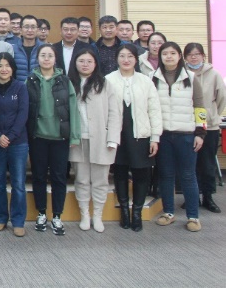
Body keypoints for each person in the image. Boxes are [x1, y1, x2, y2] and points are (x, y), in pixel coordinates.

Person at [152, 41, 208, 232]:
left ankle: (193, 216)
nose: (168, 56)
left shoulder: (190, 77)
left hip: (186, 135)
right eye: (165, 53)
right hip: (163, 136)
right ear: (160, 57)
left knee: (188, 176)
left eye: (173, 53)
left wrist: (200, 133)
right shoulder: (152, 78)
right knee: (166, 175)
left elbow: (200, 107)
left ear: (179, 56)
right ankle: (168, 212)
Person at [106, 44, 162, 231]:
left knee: (141, 174)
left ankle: (137, 212)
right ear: (116, 59)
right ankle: (124, 210)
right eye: (122, 56)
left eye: (130, 56)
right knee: (120, 173)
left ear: (136, 59)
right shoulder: (108, 80)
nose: (126, 60)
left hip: (141, 134)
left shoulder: (146, 81)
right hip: (117, 135)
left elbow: (154, 110)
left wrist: (155, 137)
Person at [26, 44, 80, 236]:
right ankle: (41, 213)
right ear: (37, 59)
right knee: (39, 176)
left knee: (59, 177)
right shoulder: (29, 80)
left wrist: (74, 135)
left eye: (50, 55)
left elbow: (73, 108)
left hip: (60, 137)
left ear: (55, 59)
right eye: (43, 55)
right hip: (38, 137)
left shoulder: (65, 81)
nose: (46, 58)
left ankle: (57, 215)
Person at [67, 48, 121, 233]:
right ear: (75, 63)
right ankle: (84, 214)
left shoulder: (105, 84)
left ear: (95, 63)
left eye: (89, 61)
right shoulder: (69, 83)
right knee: (81, 179)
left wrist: (112, 138)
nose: (85, 64)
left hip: (101, 140)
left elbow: (114, 113)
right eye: (81, 61)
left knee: (100, 180)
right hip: (77, 140)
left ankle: (97, 215)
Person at [0, 52, 29, 237]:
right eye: (0, 66)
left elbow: (23, 114)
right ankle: (1, 218)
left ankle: (18, 221)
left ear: (13, 68)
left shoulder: (20, 87)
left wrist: (10, 136)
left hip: (17, 143)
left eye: (7, 65)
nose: (3, 69)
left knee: (18, 183)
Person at [184, 43, 226, 213]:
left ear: (203, 56)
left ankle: (208, 197)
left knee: (207, 164)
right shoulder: (182, 73)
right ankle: (192, 198)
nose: (194, 57)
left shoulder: (214, 74)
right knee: (190, 165)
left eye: (197, 54)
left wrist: (212, 114)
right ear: (185, 57)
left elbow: (221, 98)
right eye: (190, 54)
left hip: (209, 127)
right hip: (187, 126)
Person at [12, 15, 44, 82]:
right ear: (20, 30)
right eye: (26, 27)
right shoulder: (13, 49)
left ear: (38, 30)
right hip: (19, 87)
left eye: (33, 27)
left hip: (39, 87)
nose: (30, 30)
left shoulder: (44, 48)